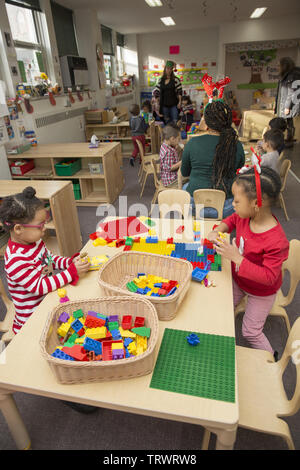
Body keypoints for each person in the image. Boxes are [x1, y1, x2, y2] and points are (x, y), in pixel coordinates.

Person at [207, 167, 289, 359]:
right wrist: (218, 229)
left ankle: (271, 357)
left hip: (261, 292)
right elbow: (232, 219)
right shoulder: (246, 216)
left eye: (236, 200)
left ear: (255, 203)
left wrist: (236, 258)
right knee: (221, 306)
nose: (232, 204)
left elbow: (269, 278)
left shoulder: (277, 241)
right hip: (241, 281)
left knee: (250, 331)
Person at [0, 187, 90, 335]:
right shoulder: (16, 260)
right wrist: (71, 272)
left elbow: (50, 259)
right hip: (33, 320)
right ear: (18, 229)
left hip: (49, 300)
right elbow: (40, 286)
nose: (44, 229)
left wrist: (69, 263)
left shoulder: (34, 241)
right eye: (40, 225)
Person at [181, 99, 245, 218]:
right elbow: (239, 170)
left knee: (185, 187)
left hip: (196, 205)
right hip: (226, 207)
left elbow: (184, 173)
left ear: (206, 121)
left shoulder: (192, 143)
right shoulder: (236, 144)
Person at [275, 57, 300, 147]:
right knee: (288, 124)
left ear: (284, 65)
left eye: (279, 65)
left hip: (289, 105)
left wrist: (287, 107)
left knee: (288, 125)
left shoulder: (291, 75)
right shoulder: (289, 74)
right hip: (288, 104)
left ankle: (289, 141)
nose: (277, 67)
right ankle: (288, 141)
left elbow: (291, 92)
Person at [152, 60, 182, 125]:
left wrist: (180, 102)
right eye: (167, 68)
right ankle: (168, 135)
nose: (169, 70)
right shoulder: (160, 80)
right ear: (165, 69)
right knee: (166, 122)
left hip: (174, 105)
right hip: (164, 105)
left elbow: (179, 91)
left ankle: (176, 135)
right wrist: (157, 102)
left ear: (172, 70)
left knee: (175, 121)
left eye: (171, 69)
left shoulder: (176, 80)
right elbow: (156, 91)